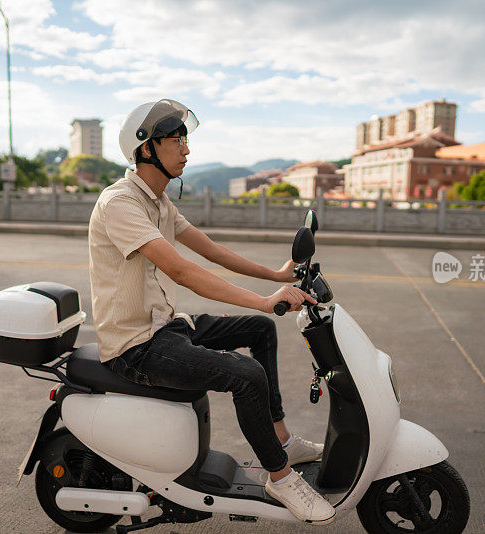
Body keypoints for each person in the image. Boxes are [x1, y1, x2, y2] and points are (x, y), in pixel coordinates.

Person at [88, 99, 335, 524]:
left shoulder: (160, 203)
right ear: (147, 147)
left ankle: (281, 439)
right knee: (246, 375)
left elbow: (213, 252)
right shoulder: (120, 204)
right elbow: (183, 270)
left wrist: (277, 274)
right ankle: (279, 476)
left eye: (186, 138)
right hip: (136, 347)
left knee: (260, 331)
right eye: (177, 139)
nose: (186, 149)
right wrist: (263, 299)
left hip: (165, 328)